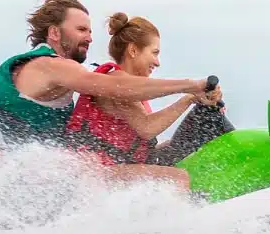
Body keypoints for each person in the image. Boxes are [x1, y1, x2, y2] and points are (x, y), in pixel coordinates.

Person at [0, 0, 216, 149]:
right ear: (54, 33)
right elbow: (113, 87)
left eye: (90, 31)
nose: (90, 38)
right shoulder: (47, 65)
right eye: (82, 30)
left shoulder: (62, 76)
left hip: (10, 176)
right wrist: (191, 86)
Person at [64, 12, 232, 190]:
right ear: (134, 50)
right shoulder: (117, 84)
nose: (157, 62)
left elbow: (141, 144)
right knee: (177, 178)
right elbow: (147, 128)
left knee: (207, 121)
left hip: (120, 166)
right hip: (96, 173)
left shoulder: (135, 90)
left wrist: (203, 108)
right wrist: (190, 97)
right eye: (154, 53)